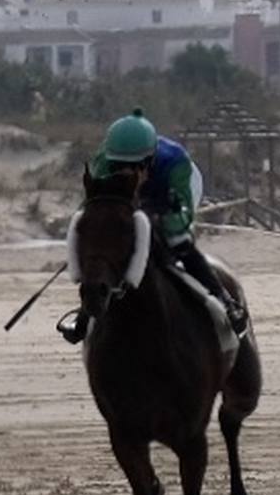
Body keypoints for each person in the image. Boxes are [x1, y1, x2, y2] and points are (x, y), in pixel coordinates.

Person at [58, 108, 249, 345]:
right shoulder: (103, 163)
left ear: (149, 161)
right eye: (118, 166)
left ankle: (226, 302)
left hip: (170, 197)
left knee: (178, 243)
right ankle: (84, 318)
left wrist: (159, 218)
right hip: (130, 204)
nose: (125, 173)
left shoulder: (176, 163)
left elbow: (184, 220)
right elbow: (93, 206)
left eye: (134, 167)